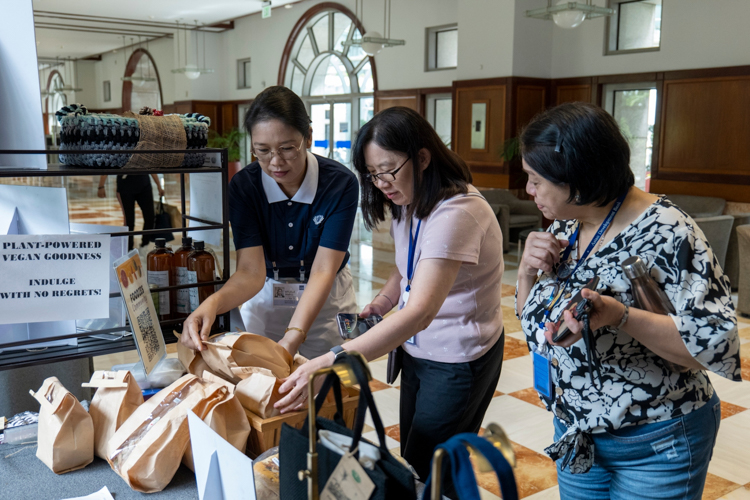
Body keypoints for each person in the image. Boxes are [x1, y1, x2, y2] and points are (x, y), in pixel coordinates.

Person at [515, 102, 741, 499]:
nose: (528, 191)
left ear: (577, 176)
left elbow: (709, 346)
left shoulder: (668, 230)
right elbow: (533, 323)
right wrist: (525, 274)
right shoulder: (568, 223)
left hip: (655, 439)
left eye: (535, 180)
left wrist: (619, 316)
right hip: (576, 431)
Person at [276, 106, 506, 486]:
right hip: (418, 349)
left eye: (388, 170)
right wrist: (383, 302)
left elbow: (418, 313)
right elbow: (408, 265)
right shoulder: (410, 200)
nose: (381, 182)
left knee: (430, 465)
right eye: (372, 174)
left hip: (457, 357)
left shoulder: (458, 212)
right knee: (415, 456)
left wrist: (332, 361)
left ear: (423, 158)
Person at [179, 86, 358, 359]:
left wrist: (293, 336)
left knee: (324, 389)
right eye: (262, 150)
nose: (275, 162)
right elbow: (251, 271)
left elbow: (323, 270)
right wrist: (212, 304)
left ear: (308, 137)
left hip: (325, 304)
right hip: (266, 301)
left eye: (287, 148)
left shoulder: (339, 183)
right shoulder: (245, 186)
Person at [97, 173, 164, 250]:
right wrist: (101, 186)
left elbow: (151, 167)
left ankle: (145, 245)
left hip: (144, 185)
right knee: (129, 221)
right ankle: (128, 249)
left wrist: (159, 186)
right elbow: (108, 164)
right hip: (125, 187)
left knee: (150, 217)